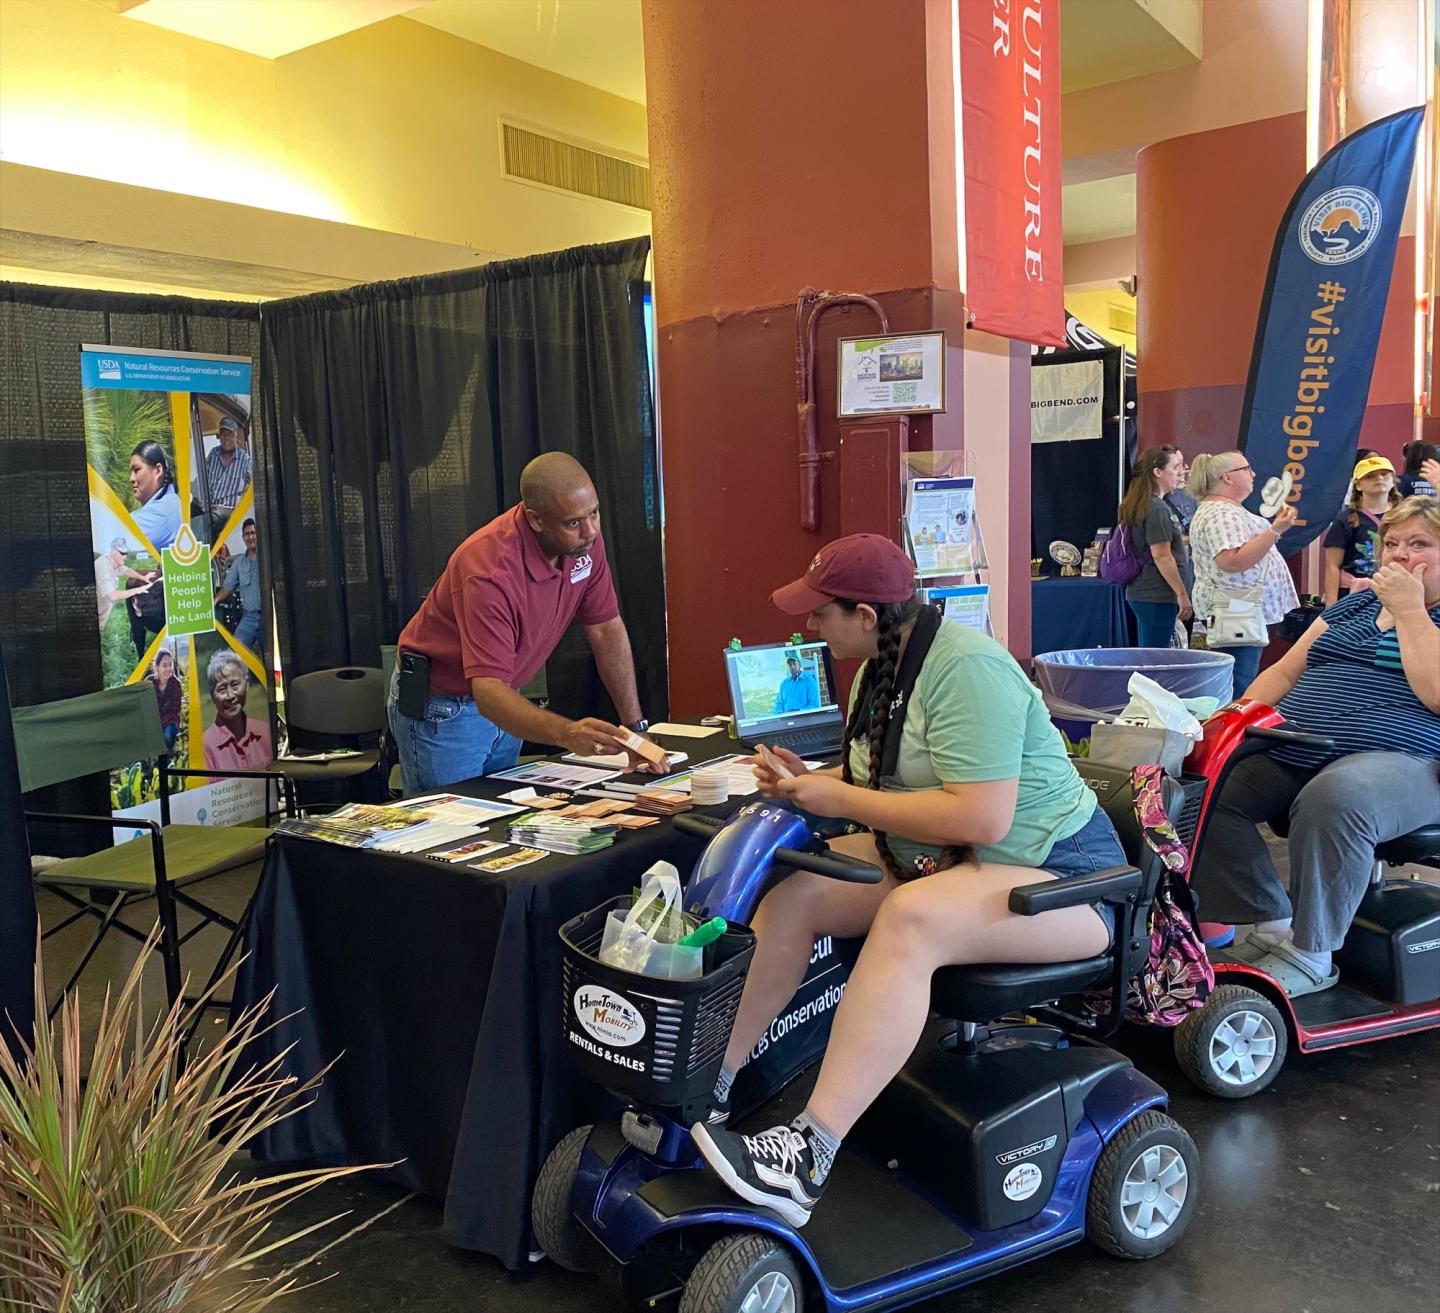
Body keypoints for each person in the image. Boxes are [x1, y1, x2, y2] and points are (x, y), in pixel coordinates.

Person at [691, 533, 1128, 1227]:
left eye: (820, 613)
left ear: (865, 614)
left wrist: (842, 801)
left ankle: (808, 1155)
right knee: (798, 896)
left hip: (1067, 879)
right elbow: (880, 780)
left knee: (909, 917)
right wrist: (809, 785)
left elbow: (982, 816)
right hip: (963, 861)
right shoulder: (881, 665)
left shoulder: (968, 670)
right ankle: (706, 1087)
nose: (810, 626)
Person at [1192, 496, 1440, 997]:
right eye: (1392, 543)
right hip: (1299, 741)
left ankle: (1312, 953)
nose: (1400, 556)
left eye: (1420, 545)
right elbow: (1286, 671)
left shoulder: (1421, 613)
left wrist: (1412, 609)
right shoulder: (1357, 604)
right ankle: (1271, 923)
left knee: (1336, 797)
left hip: (1407, 761)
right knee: (1204, 786)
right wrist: (1227, 722)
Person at [388, 452, 663, 792]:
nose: (591, 531)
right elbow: (488, 693)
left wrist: (635, 729)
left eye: (594, 513)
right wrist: (568, 734)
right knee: (451, 830)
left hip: (507, 694)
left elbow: (606, 630)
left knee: (502, 821)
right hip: (445, 708)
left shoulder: (584, 544)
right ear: (535, 520)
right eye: (573, 523)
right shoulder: (488, 570)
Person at [1187, 451, 1300, 693]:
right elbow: (1232, 561)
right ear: (1227, 477)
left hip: (1240, 609)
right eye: (1246, 469)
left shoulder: (1225, 511)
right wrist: (1275, 530)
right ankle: (1234, 727)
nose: (1253, 474)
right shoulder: (1220, 514)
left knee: (1239, 676)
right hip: (1237, 609)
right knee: (1238, 682)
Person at [1118, 445, 1193, 646]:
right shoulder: (1156, 508)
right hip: (1156, 594)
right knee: (1155, 657)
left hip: (1147, 593)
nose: (1180, 473)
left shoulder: (1142, 504)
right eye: (1175, 467)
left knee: (1150, 652)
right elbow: (1162, 555)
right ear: (1158, 472)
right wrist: (1181, 593)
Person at [1322, 455, 1400, 606]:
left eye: (1384, 474)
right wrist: (1330, 607)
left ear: (1392, 481)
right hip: (1354, 593)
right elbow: (1332, 565)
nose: (1379, 479)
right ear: (1358, 485)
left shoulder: (1405, 517)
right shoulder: (1346, 519)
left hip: (1395, 590)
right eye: (1370, 476)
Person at [202, 648, 273, 772]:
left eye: (235, 685)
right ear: (212, 696)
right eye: (221, 689)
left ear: (247, 685)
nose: (230, 696)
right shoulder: (205, 746)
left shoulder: (265, 732)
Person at [214, 519, 263, 654]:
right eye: (247, 534)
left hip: (269, 616)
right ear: (243, 537)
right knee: (234, 654)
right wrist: (214, 601)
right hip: (250, 617)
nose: (250, 537)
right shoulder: (239, 564)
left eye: (253, 533)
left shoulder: (267, 557)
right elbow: (227, 587)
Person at [204, 415, 253, 532]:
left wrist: (242, 506)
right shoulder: (213, 453)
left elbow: (252, 487)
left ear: (236, 435)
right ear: (219, 436)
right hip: (210, 506)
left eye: (230, 434)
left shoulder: (245, 459)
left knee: (207, 521)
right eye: (223, 434)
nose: (226, 438)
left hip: (229, 509)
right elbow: (203, 476)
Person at [129, 440, 181, 550]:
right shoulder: (171, 502)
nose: (131, 479)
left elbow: (108, 533)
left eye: (137, 470)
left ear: (158, 470)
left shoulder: (161, 513)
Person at [94, 537, 154, 628]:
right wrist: (139, 589)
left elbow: (127, 571)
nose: (125, 557)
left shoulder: (115, 564)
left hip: (102, 612)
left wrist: (143, 578)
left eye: (126, 553)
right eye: (122, 553)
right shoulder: (102, 567)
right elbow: (113, 596)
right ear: (113, 552)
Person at [149, 648, 183, 753]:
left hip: (170, 721)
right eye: (164, 665)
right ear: (157, 667)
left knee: (167, 735)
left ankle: (169, 753)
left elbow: (174, 712)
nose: (168, 669)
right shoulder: (149, 683)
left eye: (170, 665)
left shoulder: (176, 684)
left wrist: (159, 725)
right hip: (152, 721)